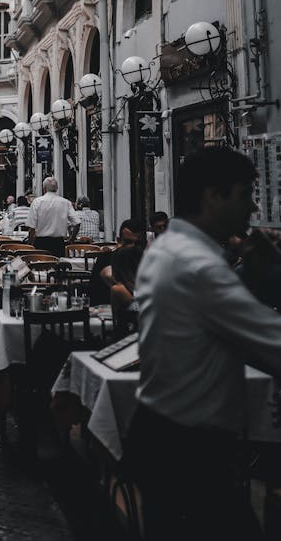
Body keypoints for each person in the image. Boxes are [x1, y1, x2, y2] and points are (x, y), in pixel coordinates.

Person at [125, 146, 281, 539]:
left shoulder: (165, 249)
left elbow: (206, 319)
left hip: (160, 430)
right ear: (214, 196)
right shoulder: (201, 266)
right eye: (245, 193)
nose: (252, 206)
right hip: (189, 448)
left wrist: (248, 278)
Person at [87, 219, 143, 305]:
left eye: (137, 243)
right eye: (128, 242)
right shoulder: (105, 259)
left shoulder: (145, 261)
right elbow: (94, 296)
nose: (132, 247)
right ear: (119, 241)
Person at [26, 176, 80, 257]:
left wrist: (30, 243)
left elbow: (32, 228)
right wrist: (71, 239)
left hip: (41, 243)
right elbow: (77, 223)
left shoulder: (37, 202)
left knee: (40, 266)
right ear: (57, 188)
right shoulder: (65, 202)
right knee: (57, 266)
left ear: (43, 189)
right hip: (58, 243)